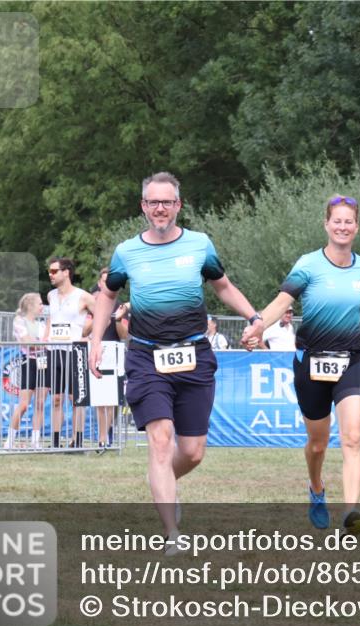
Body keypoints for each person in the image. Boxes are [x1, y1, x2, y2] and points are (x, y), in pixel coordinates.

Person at [88, 171, 262, 552]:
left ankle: (163, 483)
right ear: (144, 207)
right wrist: (95, 339)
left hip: (194, 354)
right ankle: (172, 535)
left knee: (193, 450)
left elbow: (223, 286)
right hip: (146, 356)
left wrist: (254, 318)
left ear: (178, 205)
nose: (160, 208)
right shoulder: (126, 252)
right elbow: (107, 295)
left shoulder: (200, 245)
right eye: (153, 202)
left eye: (167, 201)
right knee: (160, 441)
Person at [242, 194, 360, 535]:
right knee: (318, 444)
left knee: (353, 439)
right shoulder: (308, 265)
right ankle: (316, 487)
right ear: (326, 224)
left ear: (357, 227)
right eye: (337, 221)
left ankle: (351, 513)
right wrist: (257, 326)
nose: (343, 226)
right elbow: (282, 301)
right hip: (311, 361)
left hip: (352, 361)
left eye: (349, 221)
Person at [45, 257, 96, 449]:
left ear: (66, 272)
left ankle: (78, 439)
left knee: (76, 398)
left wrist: (87, 334)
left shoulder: (83, 296)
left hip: (74, 351)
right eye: (49, 272)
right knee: (56, 398)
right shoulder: (51, 296)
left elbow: (102, 317)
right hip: (54, 350)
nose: (50, 275)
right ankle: (56, 441)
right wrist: (45, 338)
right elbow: (51, 319)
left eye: (54, 271)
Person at [91, 267, 129, 448]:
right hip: (97, 352)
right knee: (99, 399)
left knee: (112, 399)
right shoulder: (91, 303)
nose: (107, 284)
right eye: (104, 281)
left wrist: (117, 320)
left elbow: (123, 334)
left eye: (110, 281)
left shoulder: (120, 306)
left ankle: (109, 428)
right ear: (99, 283)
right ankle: (102, 438)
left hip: (114, 352)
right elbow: (83, 330)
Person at [8, 292, 46, 448]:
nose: (42, 306)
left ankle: (35, 440)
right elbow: (27, 342)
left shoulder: (43, 325)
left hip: (43, 362)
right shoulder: (19, 321)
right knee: (24, 404)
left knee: (40, 403)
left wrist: (41, 343)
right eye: (40, 303)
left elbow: (46, 342)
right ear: (30, 306)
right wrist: (40, 343)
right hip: (28, 362)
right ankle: (10, 439)